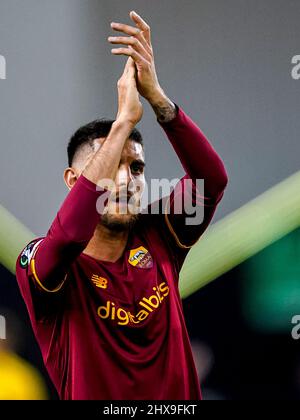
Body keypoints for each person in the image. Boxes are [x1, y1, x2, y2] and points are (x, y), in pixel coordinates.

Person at [15, 11, 228, 400]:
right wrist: (123, 122)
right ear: (73, 182)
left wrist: (158, 100)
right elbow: (66, 238)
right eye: (113, 166)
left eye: (137, 168)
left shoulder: (161, 234)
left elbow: (211, 181)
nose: (127, 180)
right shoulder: (45, 264)